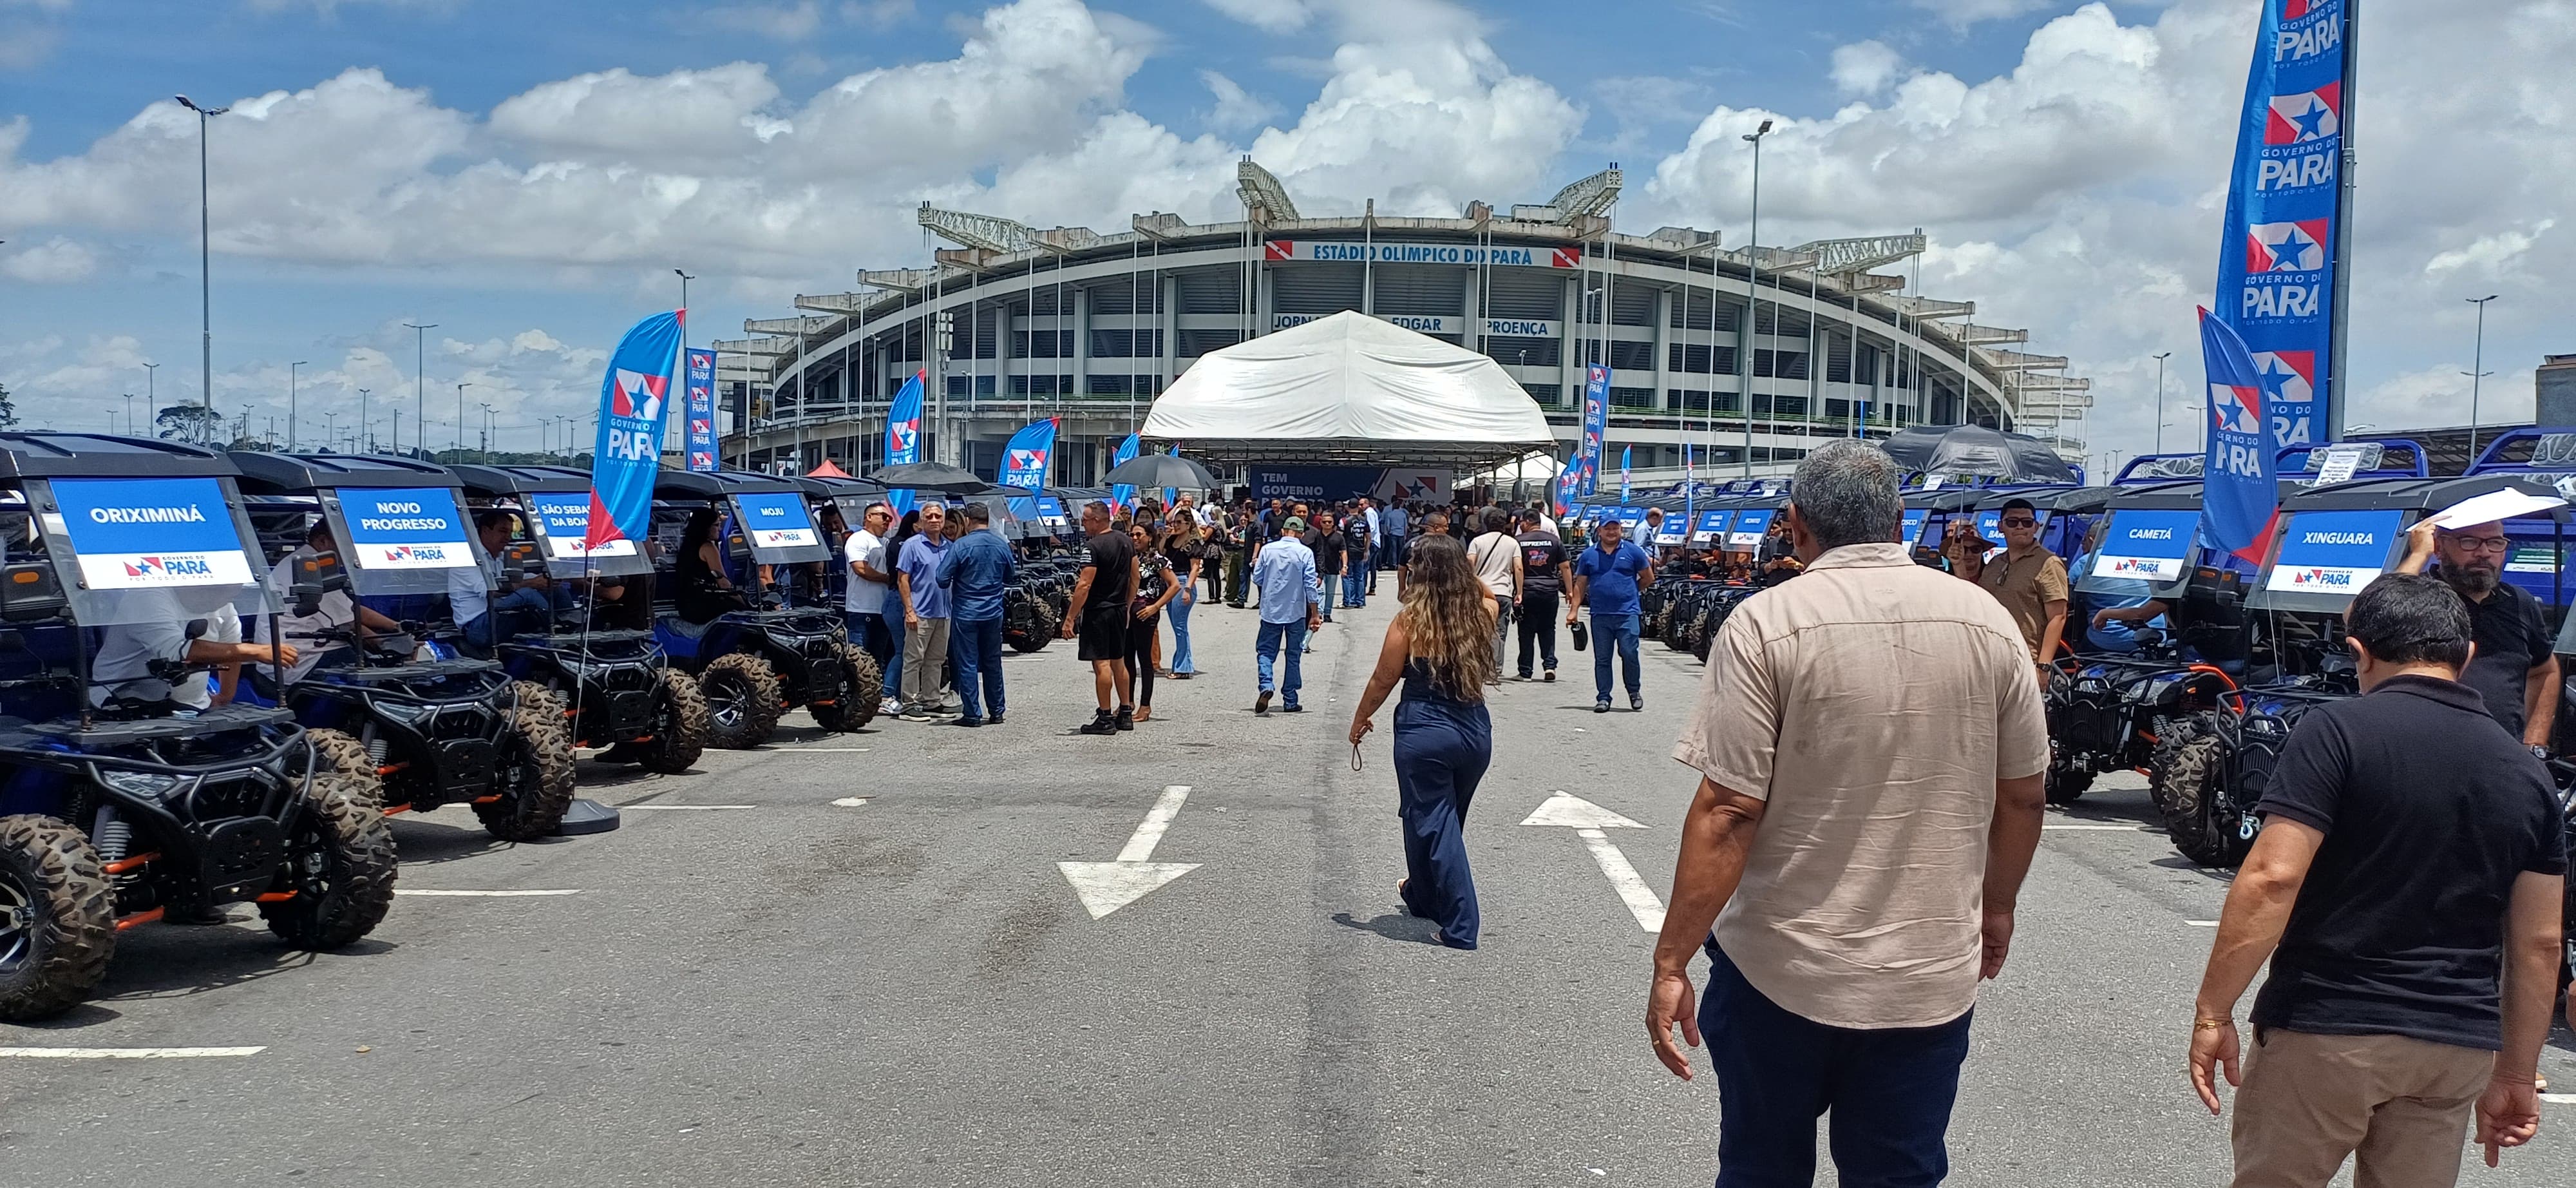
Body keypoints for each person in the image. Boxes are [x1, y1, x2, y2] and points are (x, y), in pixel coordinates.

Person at [1646, 440, 2050, 1186]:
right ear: (1899, 520)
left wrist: (1672, 958)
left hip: (1779, 967)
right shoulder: (1989, 622)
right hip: (1926, 972)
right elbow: (2023, 794)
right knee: (1898, 1173)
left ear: (1794, 524)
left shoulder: (1766, 623)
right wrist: (1996, 909)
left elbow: (1729, 808)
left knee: (1762, 1168)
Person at [2188, 573, 2564, 1186]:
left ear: (2358, 652)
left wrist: (2213, 1013)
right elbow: (2539, 943)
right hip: (2452, 1043)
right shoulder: (2525, 773)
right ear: (2467, 657)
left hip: (2329, 1023)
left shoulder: (2336, 733)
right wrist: (2518, 1074)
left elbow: (2272, 878)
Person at [1347, 533, 1497, 950]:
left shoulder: (1410, 621)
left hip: (1424, 730)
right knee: (1436, 821)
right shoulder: (1482, 612)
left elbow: (1383, 678)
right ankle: (1423, 896)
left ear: (1421, 573)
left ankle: (1462, 925)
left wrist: (1361, 719)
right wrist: (1462, 572)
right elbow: (1488, 593)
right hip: (1473, 731)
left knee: (1434, 823)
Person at [2398, 517, 2561, 749]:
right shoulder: (2416, 595)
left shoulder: (2518, 602)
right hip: (2426, 752)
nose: (2484, 553)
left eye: (2495, 542)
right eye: (2470, 542)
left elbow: (2544, 671)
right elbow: (2361, 616)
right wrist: (2418, 555)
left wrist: (2534, 743)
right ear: (2439, 547)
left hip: (2504, 759)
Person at [1061, 500, 1139, 735]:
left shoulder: (1092, 547)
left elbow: (1084, 584)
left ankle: (1105, 716)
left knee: (1102, 664)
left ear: (1097, 520)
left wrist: (1070, 618)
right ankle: (1125, 712)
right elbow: (1135, 577)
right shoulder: (1126, 541)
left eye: (1084, 520)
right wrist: (1127, 605)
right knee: (1120, 661)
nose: (1082, 524)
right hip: (1117, 608)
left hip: (1099, 611)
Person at [935, 502, 1014, 728]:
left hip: (966, 611)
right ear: (987, 520)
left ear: (968, 521)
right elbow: (1011, 576)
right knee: (992, 661)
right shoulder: (1001, 544)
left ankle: (972, 714)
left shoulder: (961, 545)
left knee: (967, 662)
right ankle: (997, 711)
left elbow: (942, 578)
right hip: (993, 610)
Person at [1977, 498, 2069, 685]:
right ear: (2001, 526)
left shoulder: (2049, 563)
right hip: (1990, 658)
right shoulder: (1995, 564)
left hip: (2026, 660)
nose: (2020, 527)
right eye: (2013, 522)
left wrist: (2043, 666)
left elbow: (2058, 617)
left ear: (2036, 527)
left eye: (2027, 522)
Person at [1568, 517, 1654, 713]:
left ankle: (1634, 691)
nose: (1612, 532)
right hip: (1600, 615)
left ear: (1621, 530)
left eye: (1616, 528)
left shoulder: (1633, 552)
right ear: (1600, 531)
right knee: (1603, 658)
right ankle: (1603, 697)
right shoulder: (1589, 555)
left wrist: (1632, 591)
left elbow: (1648, 578)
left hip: (1628, 614)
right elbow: (1581, 584)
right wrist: (1574, 611)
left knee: (1630, 652)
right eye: (1608, 529)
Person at [1251, 514, 1322, 714]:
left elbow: (1257, 578)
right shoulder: (1305, 552)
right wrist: (1315, 613)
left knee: (1265, 651)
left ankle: (1266, 685)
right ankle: (1290, 699)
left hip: (1271, 610)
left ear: (1283, 531)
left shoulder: (1267, 549)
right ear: (1300, 533)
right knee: (1293, 655)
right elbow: (1310, 584)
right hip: (1296, 611)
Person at [893, 501, 952, 721]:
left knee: (936, 659)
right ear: (921, 521)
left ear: (944, 520)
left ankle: (931, 701)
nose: (934, 520)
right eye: (929, 517)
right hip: (920, 613)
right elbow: (903, 579)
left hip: (944, 612)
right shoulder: (912, 545)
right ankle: (908, 705)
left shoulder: (949, 546)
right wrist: (909, 610)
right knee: (913, 659)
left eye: (938, 516)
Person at [1128, 520, 1179, 721]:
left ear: (1149, 537)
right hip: (1128, 612)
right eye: (1132, 534)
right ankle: (1127, 702)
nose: (1135, 538)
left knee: (1145, 660)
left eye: (1139, 535)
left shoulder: (1157, 559)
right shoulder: (1130, 557)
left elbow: (1174, 585)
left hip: (1146, 612)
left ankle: (1145, 706)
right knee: (1126, 658)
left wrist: (1156, 606)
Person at [1513, 508, 1571, 682]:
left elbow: (1517, 568)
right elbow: (1566, 567)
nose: (1520, 525)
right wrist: (1569, 591)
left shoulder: (1518, 541)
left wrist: (1518, 592)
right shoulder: (1555, 541)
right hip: (1549, 590)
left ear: (1528, 522)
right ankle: (1549, 666)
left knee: (1526, 631)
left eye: (1521, 522)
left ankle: (1526, 671)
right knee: (1548, 629)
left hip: (1528, 590)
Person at [1467, 508, 1522, 683]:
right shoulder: (1512, 543)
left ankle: (1477, 668)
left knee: (1478, 630)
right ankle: (1494, 671)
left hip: (1481, 593)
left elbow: (1469, 563)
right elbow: (1518, 568)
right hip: (1503, 593)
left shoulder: (1477, 541)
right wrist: (1519, 591)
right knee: (1499, 632)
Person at [843, 501, 897, 671]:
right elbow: (860, 568)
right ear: (869, 517)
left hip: (883, 609)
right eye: (883, 516)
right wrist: (887, 579)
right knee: (859, 658)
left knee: (878, 657)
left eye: (889, 517)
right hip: (861, 608)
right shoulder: (858, 539)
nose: (888, 520)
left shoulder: (886, 543)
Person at [1159, 518, 1204, 680]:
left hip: (1184, 582)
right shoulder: (1171, 539)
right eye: (1174, 522)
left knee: (1180, 627)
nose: (1175, 525)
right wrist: (1164, 536)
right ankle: (1183, 665)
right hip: (1170, 584)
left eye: (1179, 522)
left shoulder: (1193, 543)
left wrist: (1188, 589)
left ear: (1188, 525)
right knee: (1178, 627)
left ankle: (1182, 668)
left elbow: (1195, 568)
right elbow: (1161, 554)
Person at [1313, 511, 1345, 624]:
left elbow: (1343, 552)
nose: (1327, 524)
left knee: (1330, 593)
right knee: (1320, 592)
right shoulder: (1316, 535)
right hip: (1318, 570)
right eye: (1324, 522)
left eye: (1329, 522)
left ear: (1333, 524)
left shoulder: (1338, 537)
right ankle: (1320, 613)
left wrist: (1344, 566)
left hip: (1333, 569)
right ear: (1321, 523)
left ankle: (1327, 614)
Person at [1341, 510, 1373, 609]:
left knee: (1347, 577)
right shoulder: (1364, 521)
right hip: (1360, 551)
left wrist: (1340, 551)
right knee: (1359, 577)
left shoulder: (1345, 521)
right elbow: (1369, 537)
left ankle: (1349, 601)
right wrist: (1366, 551)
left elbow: (1340, 536)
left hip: (1348, 551)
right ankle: (1360, 601)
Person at [1380, 501, 1408, 572]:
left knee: (1393, 550)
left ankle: (1394, 564)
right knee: (1401, 549)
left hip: (1393, 533)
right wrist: (1405, 535)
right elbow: (1405, 526)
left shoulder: (1390, 514)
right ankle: (1400, 563)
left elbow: (1387, 525)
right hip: (1401, 533)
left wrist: (1389, 532)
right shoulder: (1403, 515)